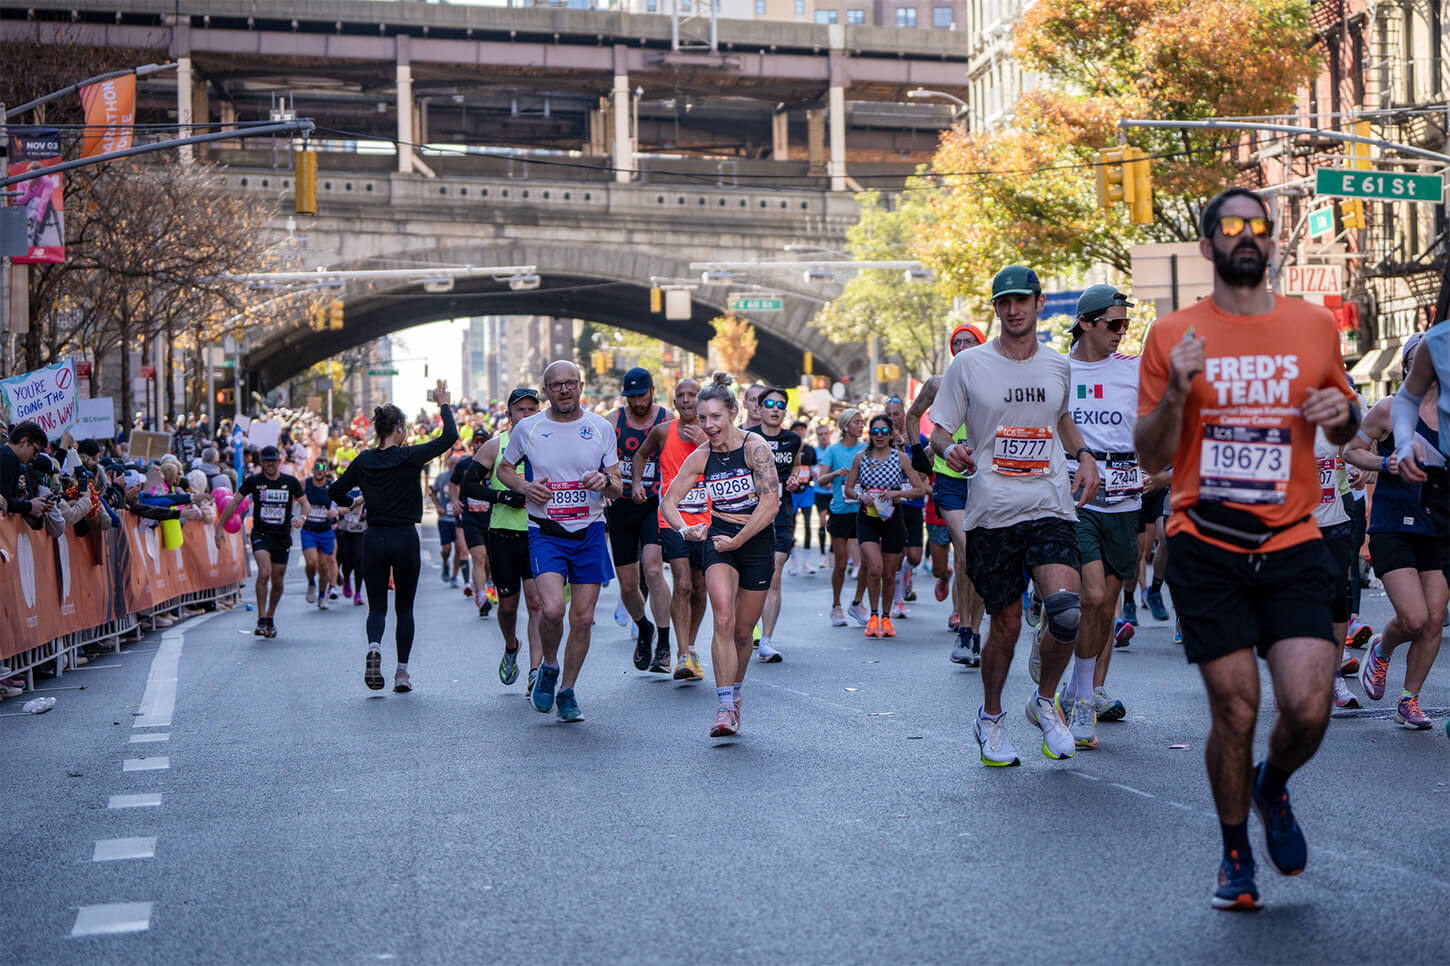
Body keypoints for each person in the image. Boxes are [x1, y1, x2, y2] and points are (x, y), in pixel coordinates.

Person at [1135, 187, 1359, 911]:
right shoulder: (1172, 335)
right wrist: (1178, 392)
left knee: (1309, 708)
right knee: (1235, 711)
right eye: (1231, 227)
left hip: (1294, 539)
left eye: (1258, 227)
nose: (1247, 236)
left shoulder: (1314, 325)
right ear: (1207, 246)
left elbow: (1347, 417)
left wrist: (1345, 414)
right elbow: (1148, 454)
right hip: (1207, 542)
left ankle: (1273, 784)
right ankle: (1235, 852)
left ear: (1273, 242)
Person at [930, 265, 1099, 768]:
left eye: (1021, 300)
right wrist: (952, 450)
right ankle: (991, 716)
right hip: (992, 511)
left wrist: (1085, 455)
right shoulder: (970, 366)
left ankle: (1044, 702)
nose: (1012, 309)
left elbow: (1062, 418)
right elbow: (939, 430)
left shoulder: (1056, 365)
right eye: (1003, 302)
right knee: (1004, 625)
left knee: (1067, 611)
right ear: (996, 308)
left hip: (1048, 503)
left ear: (1039, 302)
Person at [498, 361, 621, 723]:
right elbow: (505, 470)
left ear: (581, 385)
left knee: (582, 619)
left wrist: (604, 481)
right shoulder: (528, 428)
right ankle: (548, 666)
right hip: (546, 532)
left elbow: (617, 482)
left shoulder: (600, 428)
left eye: (570, 383)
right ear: (546, 390)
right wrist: (524, 486)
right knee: (552, 610)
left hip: (590, 531)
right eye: (556, 385)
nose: (564, 390)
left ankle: (567, 690)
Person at [661, 372, 779, 738]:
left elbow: (770, 504)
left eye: (716, 417)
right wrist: (685, 529)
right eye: (703, 417)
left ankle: (736, 693)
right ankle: (724, 705)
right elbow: (669, 502)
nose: (708, 425)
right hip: (719, 540)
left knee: (744, 632)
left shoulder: (754, 447)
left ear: (733, 413)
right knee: (723, 619)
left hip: (755, 540)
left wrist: (740, 539)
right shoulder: (701, 456)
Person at [1052, 285, 1142, 748]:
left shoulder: (1137, 369)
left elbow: (1157, 423)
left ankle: (1077, 686)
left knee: (1107, 605)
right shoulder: (1057, 368)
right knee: (1089, 594)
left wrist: (1157, 471)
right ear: (1085, 323)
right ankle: (1083, 699)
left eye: (1125, 324)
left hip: (1125, 500)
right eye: (1113, 324)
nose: (1121, 332)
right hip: (1073, 496)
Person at [328, 383, 459, 693]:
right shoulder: (409, 456)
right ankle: (401, 672)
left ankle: (374, 646)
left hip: (374, 538)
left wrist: (359, 499)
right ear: (398, 429)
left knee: (376, 608)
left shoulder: (363, 461)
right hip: (404, 537)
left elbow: (334, 492)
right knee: (405, 608)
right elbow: (449, 437)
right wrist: (442, 405)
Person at [1344, 335, 1446, 729]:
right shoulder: (1389, 408)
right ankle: (1382, 649)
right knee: (1415, 618)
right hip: (1393, 524)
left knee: (1435, 619)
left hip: (1437, 527)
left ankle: (1409, 699)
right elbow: (1351, 449)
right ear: (1408, 366)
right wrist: (1384, 464)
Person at [909, 323, 988, 664]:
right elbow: (913, 416)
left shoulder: (994, 384)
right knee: (970, 552)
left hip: (986, 480)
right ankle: (966, 631)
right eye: (958, 342)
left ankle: (973, 630)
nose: (964, 346)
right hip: (950, 482)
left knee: (970, 558)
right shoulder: (938, 384)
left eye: (970, 341)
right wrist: (917, 450)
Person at [460, 388, 542, 688]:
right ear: (509, 415)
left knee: (536, 604)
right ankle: (511, 646)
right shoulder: (495, 447)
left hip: (538, 534)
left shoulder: (550, 445)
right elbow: (468, 485)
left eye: (532, 409)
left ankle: (536, 672)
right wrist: (503, 496)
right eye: (520, 410)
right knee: (508, 607)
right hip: (503, 535)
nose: (527, 415)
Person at [634, 379, 710, 682]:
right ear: (674, 401)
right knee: (682, 585)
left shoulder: (714, 433)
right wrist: (638, 482)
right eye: (681, 396)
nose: (687, 400)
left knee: (700, 585)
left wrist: (706, 438)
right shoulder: (663, 431)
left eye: (693, 395)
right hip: (672, 519)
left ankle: (690, 646)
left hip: (707, 520)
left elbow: (730, 462)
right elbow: (640, 455)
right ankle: (682, 653)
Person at [607, 367, 673, 672]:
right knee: (628, 586)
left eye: (641, 395)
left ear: (652, 391)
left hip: (653, 505)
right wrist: (604, 484)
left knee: (653, 570)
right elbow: (596, 458)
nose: (636, 402)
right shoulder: (613, 421)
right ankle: (643, 627)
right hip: (619, 508)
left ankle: (663, 642)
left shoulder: (666, 419)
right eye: (631, 397)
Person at [844, 413, 926, 637]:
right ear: (869, 434)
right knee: (875, 568)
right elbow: (849, 489)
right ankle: (872, 615)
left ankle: (886, 617)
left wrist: (895, 493)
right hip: (867, 517)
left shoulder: (900, 458)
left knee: (889, 574)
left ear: (891, 434)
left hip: (892, 516)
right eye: (874, 431)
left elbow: (920, 490)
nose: (879, 436)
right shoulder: (861, 458)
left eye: (883, 432)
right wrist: (861, 496)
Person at [216, 445, 308, 638]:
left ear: (278, 462)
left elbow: (304, 504)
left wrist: (303, 518)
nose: (270, 465)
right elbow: (233, 502)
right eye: (266, 461)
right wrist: (220, 527)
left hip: (282, 536)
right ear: (262, 463)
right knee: (264, 572)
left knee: (278, 581)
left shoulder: (290, 482)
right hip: (261, 534)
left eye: (273, 461)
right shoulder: (254, 481)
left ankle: (270, 617)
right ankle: (260, 618)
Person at [744, 386, 804, 662]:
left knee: (775, 573)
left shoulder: (793, 439)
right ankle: (749, 625)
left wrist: (794, 479)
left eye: (781, 404)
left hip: (781, 514)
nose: (775, 408)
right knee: (749, 577)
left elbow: (797, 468)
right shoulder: (747, 438)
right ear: (760, 406)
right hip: (750, 515)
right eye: (770, 403)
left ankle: (766, 640)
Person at [817, 409, 869, 627]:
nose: (861, 426)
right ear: (846, 426)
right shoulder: (833, 450)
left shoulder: (866, 449)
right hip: (840, 511)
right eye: (857, 422)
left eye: (862, 422)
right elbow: (820, 480)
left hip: (863, 510)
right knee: (840, 563)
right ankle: (836, 606)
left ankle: (857, 603)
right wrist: (836, 474)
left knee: (866, 561)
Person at [883, 396, 925, 617]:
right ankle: (898, 600)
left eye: (896, 414)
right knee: (895, 554)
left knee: (915, 556)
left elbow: (925, 472)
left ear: (905, 414)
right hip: (893, 504)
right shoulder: (882, 440)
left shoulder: (919, 439)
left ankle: (907, 575)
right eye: (888, 414)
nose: (893, 419)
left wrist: (909, 447)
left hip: (915, 503)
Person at [449, 429, 496, 616]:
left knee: (490, 560)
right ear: (472, 444)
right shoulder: (464, 465)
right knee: (478, 557)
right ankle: (481, 596)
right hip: (471, 520)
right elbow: (453, 484)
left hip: (493, 519)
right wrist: (454, 501)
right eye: (476, 441)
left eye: (483, 441)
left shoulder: (496, 464)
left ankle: (491, 586)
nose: (479, 444)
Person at [301, 459, 340, 610]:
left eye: (323, 467)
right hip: (309, 530)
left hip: (325, 531)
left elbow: (342, 506)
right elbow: (292, 496)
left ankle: (323, 595)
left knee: (324, 567)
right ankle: (311, 583)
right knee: (311, 562)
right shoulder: (305, 484)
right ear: (313, 470)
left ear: (327, 471)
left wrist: (336, 512)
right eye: (317, 467)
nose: (319, 470)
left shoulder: (332, 486)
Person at [787, 419, 819, 575]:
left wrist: (816, 475)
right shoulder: (788, 448)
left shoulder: (810, 450)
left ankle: (807, 562)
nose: (800, 432)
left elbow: (814, 469)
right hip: (792, 493)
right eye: (797, 429)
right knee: (791, 527)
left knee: (807, 525)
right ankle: (793, 562)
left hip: (806, 491)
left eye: (802, 429)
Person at [334, 466, 367, 607]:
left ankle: (358, 593)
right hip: (344, 530)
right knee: (346, 560)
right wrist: (350, 508)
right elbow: (336, 509)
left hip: (361, 530)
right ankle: (346, 578)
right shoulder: (342, 489)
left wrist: (365, 514)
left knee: (359, 560)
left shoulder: (367, 488)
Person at [431, 453, 465, 588]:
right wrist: (438, 506)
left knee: (459, 548)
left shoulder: (463, 477)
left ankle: (454, 576)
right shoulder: (442, 477)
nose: (454, 466)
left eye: (456, 464)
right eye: (452, 464)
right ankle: (445, 563)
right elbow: (433, 492)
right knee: (446, 549)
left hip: (458, 518)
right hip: (445, 518)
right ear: (448, 464)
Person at [810, 423, 834, 566]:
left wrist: (830, 480)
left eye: (825, 433)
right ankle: (822, 554)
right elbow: (811, 468)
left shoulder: (833, 450)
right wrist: (815, 476)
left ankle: (832, 553)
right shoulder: (814, 451)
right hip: (819, 491)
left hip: (832, 491)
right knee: (822, 521)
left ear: (829, 434)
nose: (823, 437)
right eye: (820, 434)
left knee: (832, 524)